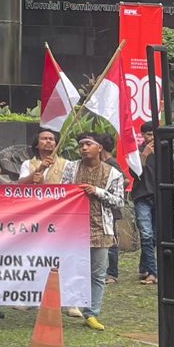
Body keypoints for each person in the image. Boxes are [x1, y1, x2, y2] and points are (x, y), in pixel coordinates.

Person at [61, 131, 125, 331]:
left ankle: (92, 313)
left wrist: (97, 192)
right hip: (73, 228)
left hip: (101, 228)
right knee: (71, 269)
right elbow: (62, 192)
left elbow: (120, 201)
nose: (84, 148)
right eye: (81, 145)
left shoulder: (113, 173)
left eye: (88, 144)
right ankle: (69, 305)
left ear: (99, 148)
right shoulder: (71, 168)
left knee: (98, 274)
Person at [130, 121, 158, 285]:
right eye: (148, 134)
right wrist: (144, 155)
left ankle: (144, 267)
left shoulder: (164, 151)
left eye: (154, 133)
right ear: (142, 136)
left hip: (159, 198)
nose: (152, 137)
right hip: (142, 197)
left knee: (154, 237)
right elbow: (134, 174)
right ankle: (153, 273)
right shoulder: (137, 153)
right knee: (146, 235)